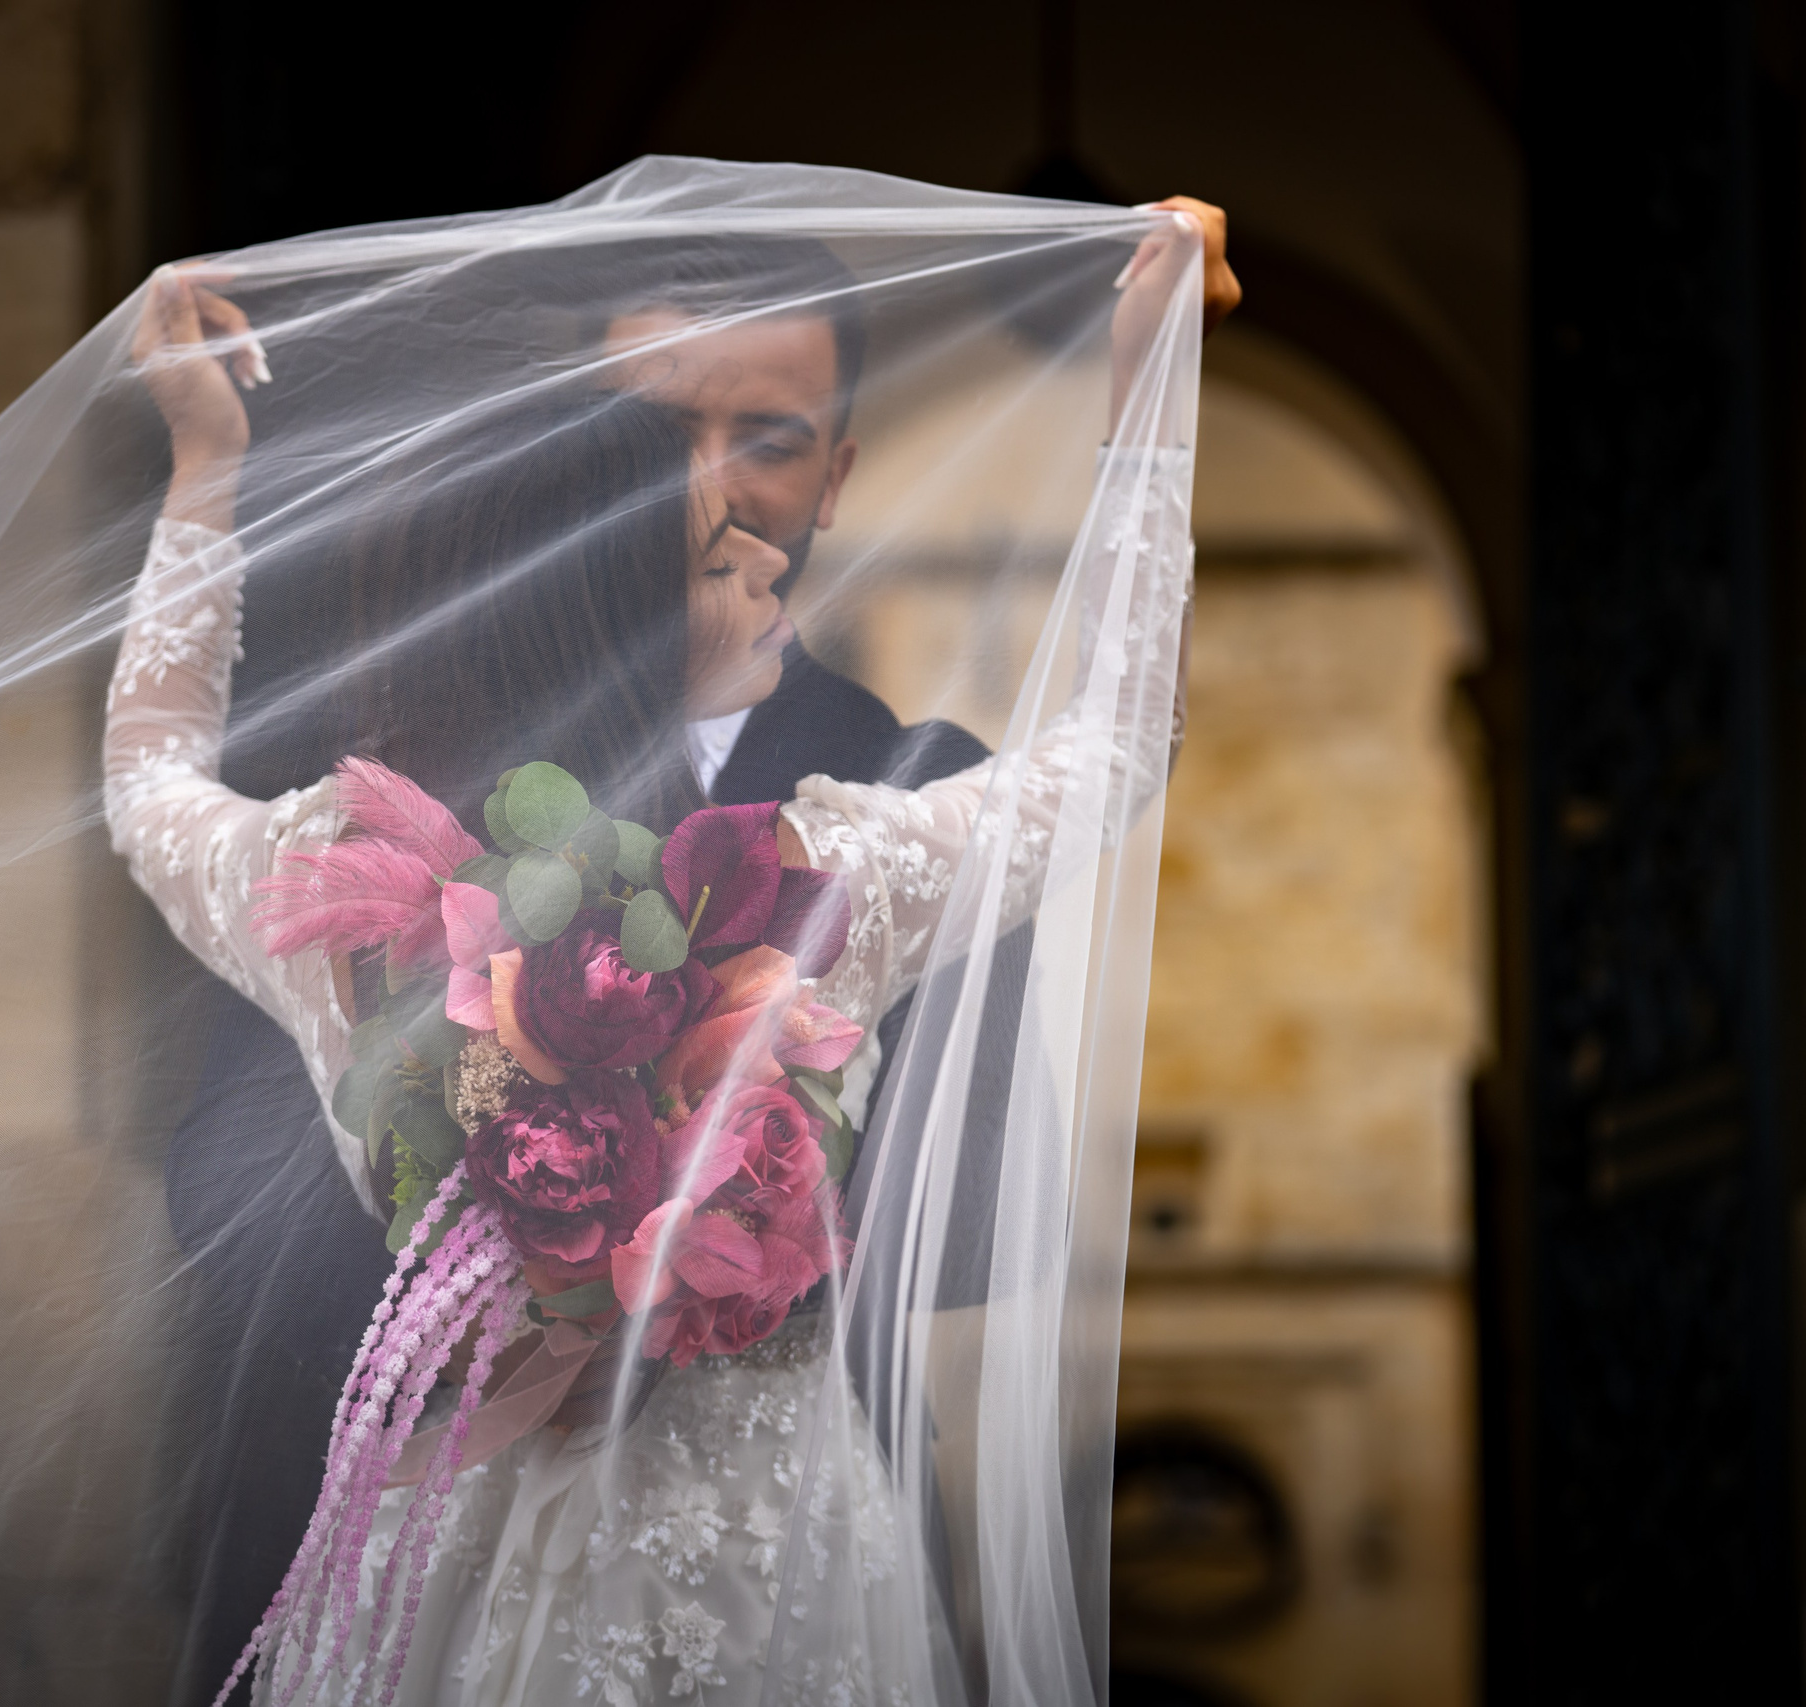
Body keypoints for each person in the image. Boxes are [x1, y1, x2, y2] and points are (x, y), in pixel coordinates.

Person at [109, 198, 1229, 1701]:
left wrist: (205, 470)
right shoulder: (831, 875)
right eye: (710, 558)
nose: (757, 554)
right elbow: (1119, 737)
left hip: (466, 1540)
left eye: (758, 462)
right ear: (621, 602)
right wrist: (1149, 404)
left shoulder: (336, 880)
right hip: (737, 1537)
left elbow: (147, 780)